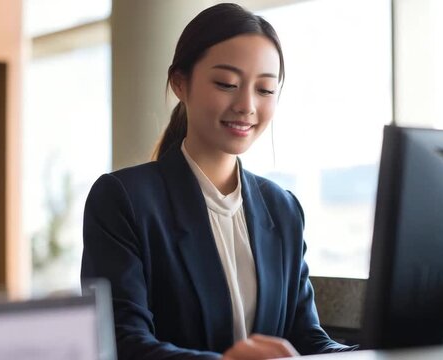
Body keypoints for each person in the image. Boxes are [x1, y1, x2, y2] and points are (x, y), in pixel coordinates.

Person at [81, 3, 357, 359]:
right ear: (181, 83)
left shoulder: (283, 209)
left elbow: (306, 338)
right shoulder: (124, 200)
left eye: (265, 90)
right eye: (227, 83)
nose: (246, 105)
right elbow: (120, 341)